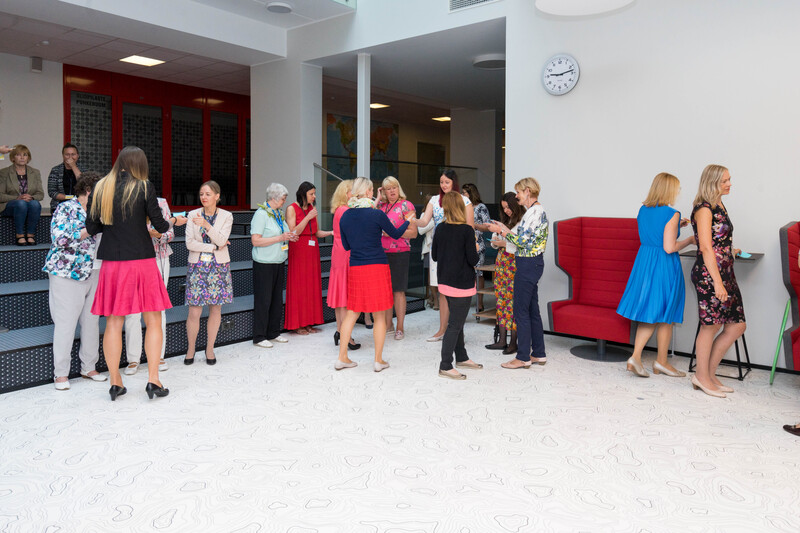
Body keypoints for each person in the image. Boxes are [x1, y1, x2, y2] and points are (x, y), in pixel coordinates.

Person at [85, 146, 171, 401]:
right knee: (153, 319)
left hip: (113, 263)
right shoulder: (144, 187)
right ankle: (153, 380)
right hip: (142, 260)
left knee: (113, 322)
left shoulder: (101, 187)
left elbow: (92, 227)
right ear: (139, 164)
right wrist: (171, 221)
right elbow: (160, 225)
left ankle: (115, 382)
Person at [616, 173, 695, 378]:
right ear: (670, 190)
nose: (678, 192)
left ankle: (640, 357)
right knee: (665, 314)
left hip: (644, 262)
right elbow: (669, 247)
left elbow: (655, 232)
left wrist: (677, 225)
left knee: (651, 311)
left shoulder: (643, 210)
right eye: (677, 188)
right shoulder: (672, 213)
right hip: (663, 265)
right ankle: (660, 361)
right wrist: (689, 241)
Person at [335, 177, 412, 372]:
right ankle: (378, 360)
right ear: (369, 192)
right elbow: (395, 234)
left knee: (352, 313)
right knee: (379, 315)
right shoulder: (376, 214)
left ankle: (342, 357)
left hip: (356, 267)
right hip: (377, 266)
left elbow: (346, 245)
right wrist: (408, 221)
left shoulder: (345, 216)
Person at [43, 172, 106, 390]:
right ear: (88, 191)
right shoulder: (66, 208)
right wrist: (89, 230)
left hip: (96, 271)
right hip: (67, 272)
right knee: (66, 324)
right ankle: (61, 374)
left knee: (91, 322)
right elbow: (60, 238)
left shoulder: (101, 211)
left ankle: (89, 367)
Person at [689, 164, 746, 398]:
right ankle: (701, 377)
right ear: (712, 182)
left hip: (725, 272)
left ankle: (708, 375)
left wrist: (730, 251)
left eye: (729, 179)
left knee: (736, 325)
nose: (729, 184)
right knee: (710, 326)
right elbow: (704, 247)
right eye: (724, 181)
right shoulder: (704, 209)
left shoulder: (719, 204)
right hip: (710, 275)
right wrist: (717, 283)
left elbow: (717, 241)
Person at [487, 178, 549, 369]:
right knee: (532, 311)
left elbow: (521, 242)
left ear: (528, 191)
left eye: (519, 192)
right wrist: (504, 228)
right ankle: (538, 353)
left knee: (520, 311)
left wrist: (501, 232)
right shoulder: (535, 212)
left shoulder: (534, 213)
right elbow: (522, 239)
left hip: (527, 264)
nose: (517, 196)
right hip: (532, 263)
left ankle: (523, 357)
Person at [123, 197, 187, 375]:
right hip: (132, 259)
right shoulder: (126, 201)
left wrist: (158, 235)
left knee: (158, 309)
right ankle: (133, 359)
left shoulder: (160, 203)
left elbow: (170, 234)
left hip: (159, 258)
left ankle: (158, 355)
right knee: (132, 310)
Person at [413, 170, 475, 342]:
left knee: (458, 293)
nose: (443, 185)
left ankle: (456, 330)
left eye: (447, 182)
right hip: (441, 250)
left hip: (459, 251)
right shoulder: (434, 200)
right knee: (443, 291)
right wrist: (413, 220)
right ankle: (442, 330)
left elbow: (470, 227)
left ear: (454, 182)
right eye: (441, 182)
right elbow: (424, 222)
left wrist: (471, 247)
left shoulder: (464, 201)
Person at [432, 192, 483, 379]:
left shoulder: (440, 228)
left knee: (457, 322)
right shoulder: (467, 231)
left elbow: (434, 256)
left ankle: (461, 357)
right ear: (460, 208)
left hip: (445, 283)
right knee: (455, 325)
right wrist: (475, 248)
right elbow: (473, 260)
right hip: (462, 284)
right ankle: (445, 365)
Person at [184, 181, 233, 365]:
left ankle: (210, 349)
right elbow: (190, 243)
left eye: (208, 194)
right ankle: (190, 349)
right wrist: (213, 247)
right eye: (201, 194)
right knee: (194, 310)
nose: (204, 197)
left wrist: (206, 225)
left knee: (215, 308)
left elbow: (222, 239)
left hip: (219, 267)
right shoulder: (192, 214)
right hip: (197, 266)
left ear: (217, 196)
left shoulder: (227, 216)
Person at [250, 183, 296, 348]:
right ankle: (259, 336)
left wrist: (288, 237)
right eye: (283, 198)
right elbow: (255, 240)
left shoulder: (278, 214)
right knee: (263, 300)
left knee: (276, 299)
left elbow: (281, 233)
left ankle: (273, 332)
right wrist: (279, 238)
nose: (284, 201)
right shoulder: (261, 214)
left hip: (278, 261)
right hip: (264, 263)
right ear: (274, 198)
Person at [285, 181, 333, 335]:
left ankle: (309, 322)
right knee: (299, 286)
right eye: (311, 194)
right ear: (303, 194)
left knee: (311, 286)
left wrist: (331, 232)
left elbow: (316, 232)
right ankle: (297, 324)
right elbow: (293, 232)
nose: (314, 196)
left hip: (312, 250)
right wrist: (307, 218)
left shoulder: (312, 208)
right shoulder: (292, 208)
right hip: (299, 248)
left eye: (314, 193)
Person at [377, 176, 418, 339]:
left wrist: (392, 233)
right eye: (388, 188)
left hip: (400, 252)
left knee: (398, 291)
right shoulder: (381, 206)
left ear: (398, 188)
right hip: (381, 253)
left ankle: (400, 326)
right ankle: (388, 324)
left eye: (394, 187)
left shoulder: (407, 206)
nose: (392, 191)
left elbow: (413, 233)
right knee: (385, 291)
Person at [486, 192, 525, 354]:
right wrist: (497, 241)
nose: (507, 210)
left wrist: (503, 242)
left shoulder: (523, 222)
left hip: (514, 264)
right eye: (504, 208)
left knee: (513, 302)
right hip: (502, 263)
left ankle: (513, 342)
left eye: (509, 207)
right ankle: (502, 340)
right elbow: (496, 243)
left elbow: (520, 245)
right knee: (501, 300)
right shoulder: (506, 221)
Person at [327, 179, 361, 350]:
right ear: (346, 193)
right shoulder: (346, 211)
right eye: (352, 191)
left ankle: (340, 332)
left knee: (340, 296)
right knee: (346, 297)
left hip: (338, 252)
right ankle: (346, 336)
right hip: (346, 253)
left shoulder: (338, 210)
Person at [0, 144, 44, 246]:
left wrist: (31, 197)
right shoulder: (4, 172)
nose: (22, 157)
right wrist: (17, 198)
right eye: (18, 155)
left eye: (25, 155)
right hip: (9, 205)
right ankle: (19, 235)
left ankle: (30, 235)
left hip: (28, 204)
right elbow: (0, 195)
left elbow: (40, 194)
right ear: (13, 158)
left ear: (28, 158)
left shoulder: (35, 172)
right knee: (21, 203)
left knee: (35, 204)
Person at [461, 183, 491, 312]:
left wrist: (473, 224)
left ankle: (480, 303)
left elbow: (487, 226)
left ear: (471, 193)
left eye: (464, 193)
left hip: (477, 244)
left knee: (478, 273)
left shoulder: (481, 207)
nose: (462, 195)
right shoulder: (462, 207)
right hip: (463, 244)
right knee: (464, 273)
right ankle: (464, 302)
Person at [48, 143, 85, 213]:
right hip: (60, 205)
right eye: (67, 154)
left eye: (73, 154)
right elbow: (52, 192)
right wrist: (69, 197)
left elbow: (84, 185)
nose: (70, 157)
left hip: (80, 205)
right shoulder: (56, 170)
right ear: (63, 156)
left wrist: (73, 166)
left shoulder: (83, 170)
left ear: (77, 156)